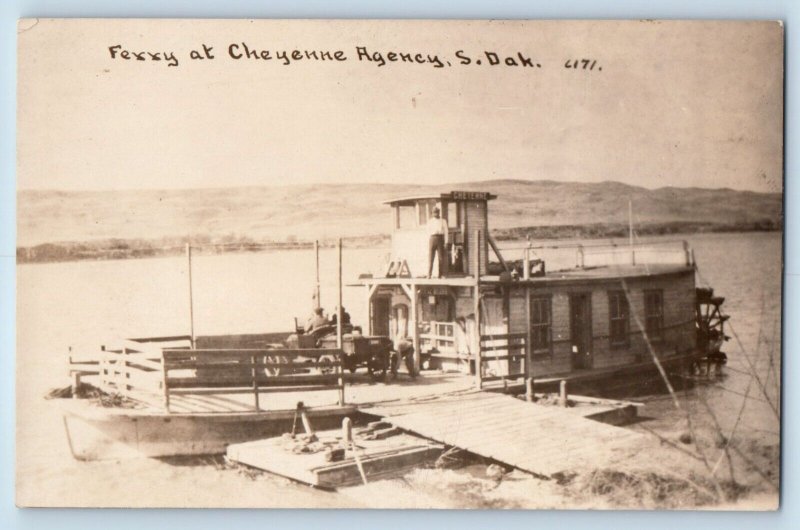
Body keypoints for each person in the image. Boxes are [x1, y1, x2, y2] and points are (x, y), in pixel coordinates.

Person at [427, 206, 449, 278]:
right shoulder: (430, 221)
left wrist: (446, 242)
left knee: (441, 258)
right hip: (432, 239)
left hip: (440, 239)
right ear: (432, 213)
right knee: (431, 257)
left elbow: (446, 232)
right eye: (434, 213)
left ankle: (441, 274)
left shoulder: (443, 221)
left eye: (437, 212)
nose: (435, 214)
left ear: (439, 213)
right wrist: (428, 242)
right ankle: (429, 274)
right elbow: (427, 232)